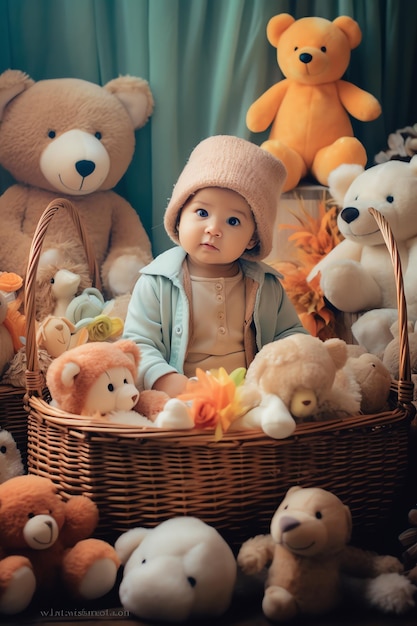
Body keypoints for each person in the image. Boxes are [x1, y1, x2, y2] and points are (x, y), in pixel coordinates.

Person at [123, 135, 308, 397]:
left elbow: (290, 335)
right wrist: (166, 380)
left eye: (233, 221)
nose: (213, 229)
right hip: (181, 396)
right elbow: (138, 343)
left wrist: (296, 364)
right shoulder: (156, 282)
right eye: (201, 213)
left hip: (251, 395)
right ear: (179, 215)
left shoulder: (266, 286)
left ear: (252, 238)